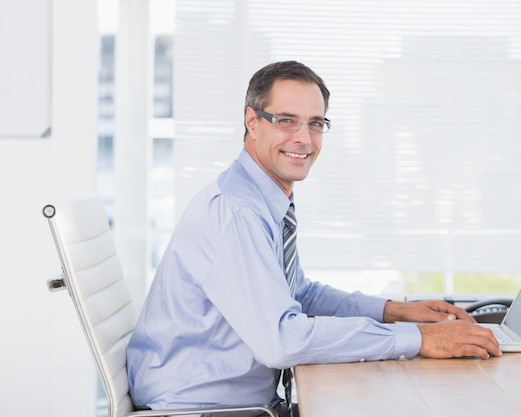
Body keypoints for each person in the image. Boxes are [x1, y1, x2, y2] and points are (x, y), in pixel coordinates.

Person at [126, 60, 501, 417]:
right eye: (287, 121)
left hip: (230, 401)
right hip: (197, 408)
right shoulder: (237, 212)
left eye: (316, 124)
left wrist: (394, 311)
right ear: (252, 121)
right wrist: (419, 338)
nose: (304, 139)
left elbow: (298, 294)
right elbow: (282, 339)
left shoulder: (263, 199)